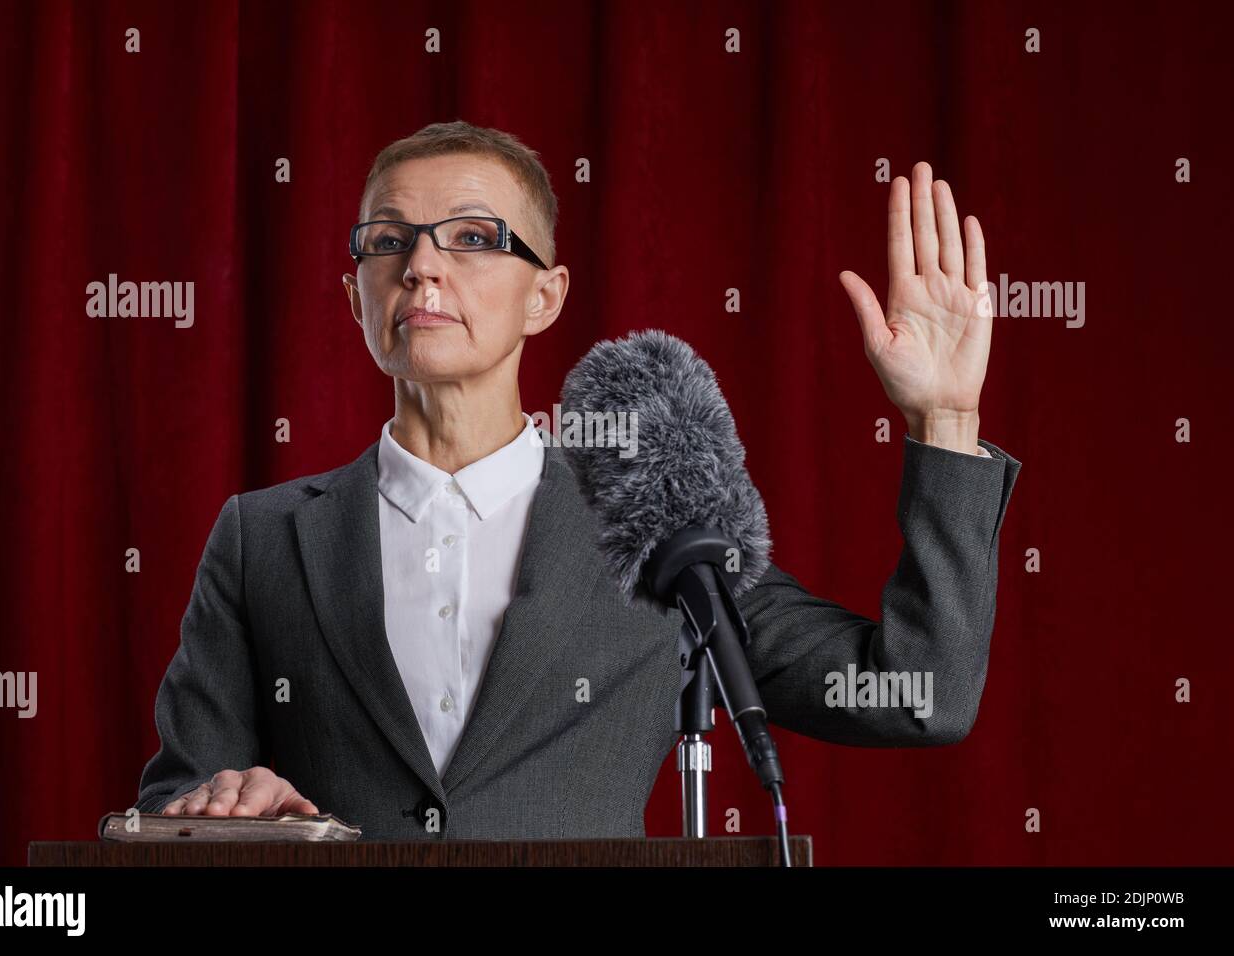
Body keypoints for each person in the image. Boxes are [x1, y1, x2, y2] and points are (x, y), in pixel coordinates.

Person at [135, 120, 1020, 837]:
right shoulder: (261, 536)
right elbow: (178, 803)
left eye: (473, 237)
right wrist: (223, 809)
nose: (422, 266)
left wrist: (945, 423)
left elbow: (922, 696)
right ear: (355, 294)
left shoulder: (658, 528)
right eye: (389, 239)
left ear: (545, 298)